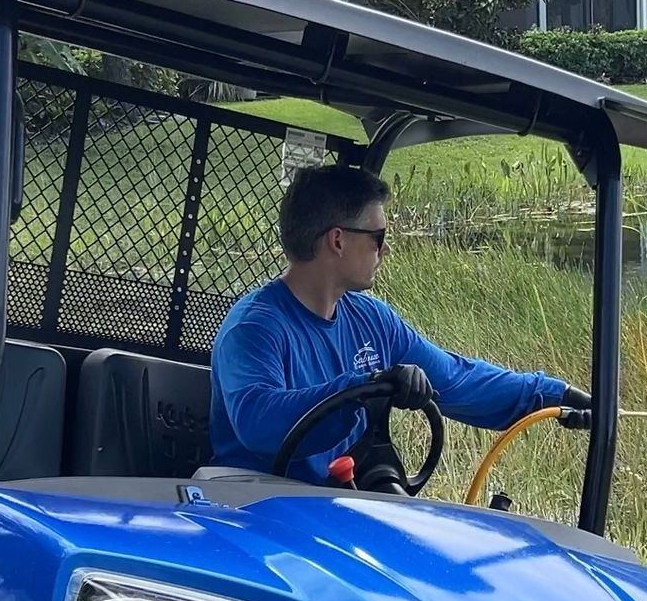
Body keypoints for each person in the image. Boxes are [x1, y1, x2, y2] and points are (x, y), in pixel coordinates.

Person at [209, 164, 590, 484]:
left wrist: (555, 396)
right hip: (252, 513)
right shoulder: (254, 329)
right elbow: (258, 423)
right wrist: (361, 390)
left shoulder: (372, 319)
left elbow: (456, 380)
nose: (386, 248)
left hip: (328, 509)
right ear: (338, 241)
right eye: (379, 237)